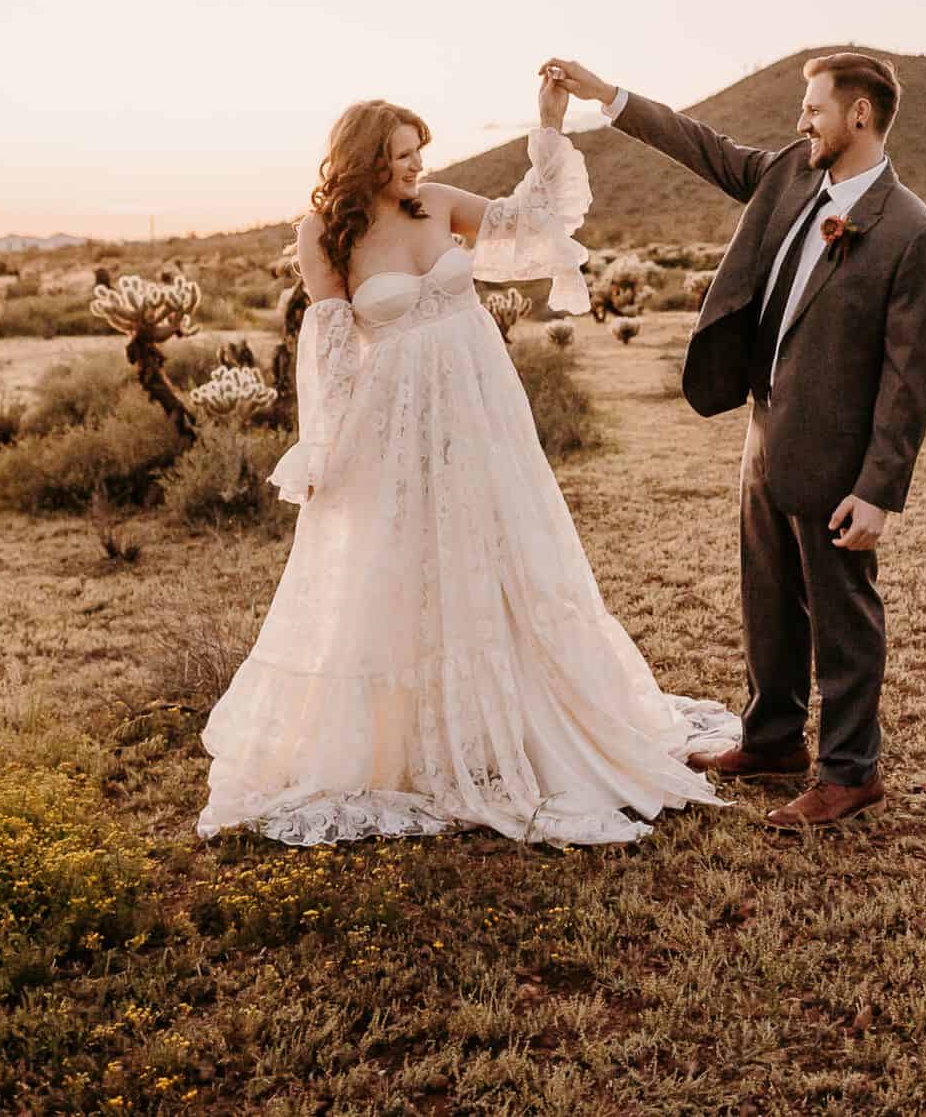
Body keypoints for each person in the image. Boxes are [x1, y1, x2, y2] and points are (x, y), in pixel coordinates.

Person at [195, 71, 738, 846]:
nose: (417, 166)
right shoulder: (325, 233)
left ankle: (513, 719)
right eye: (400, 155)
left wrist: (549, 126)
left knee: (503, 545)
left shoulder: (440, 202)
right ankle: (415, 734)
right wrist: (324, 448)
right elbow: (330, 346)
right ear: (361, 160)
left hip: (480, 407)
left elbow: (533, 221)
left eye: (420, 151)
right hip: (394, 418)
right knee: (404, 558)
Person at [542, 52, 926, 828]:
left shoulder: (911, 232)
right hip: (765, 427)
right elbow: (703, 146)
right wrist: (608, 98)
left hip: (836, 450)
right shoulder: (791, 176)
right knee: (767, 594)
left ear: (859, 116)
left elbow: (910, 377)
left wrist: (878, 490)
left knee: (842, 611)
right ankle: (771, 739)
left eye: (814, 109)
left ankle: (851, 771)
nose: (802, 122)